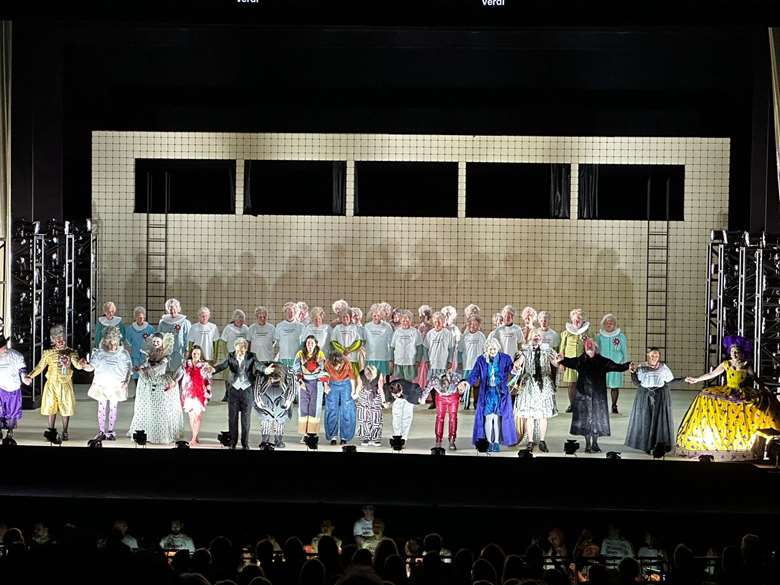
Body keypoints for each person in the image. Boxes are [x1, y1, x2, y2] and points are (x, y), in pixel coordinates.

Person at [677, 335, 780, 458]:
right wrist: (696, 379)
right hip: (728, 391)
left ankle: (745, 440)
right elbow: (712, 374)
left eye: (737, 352)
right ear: (729, 353)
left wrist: (765, 388)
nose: (734, 354)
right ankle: (723, 441)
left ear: (742, 353)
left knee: (752, 407)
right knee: (707, 397)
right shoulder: (726, 364)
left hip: (742, 392)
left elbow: (756, 379)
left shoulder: (746, 365)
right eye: (732, 352)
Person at [553, 337, 633, 453]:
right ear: (585, 349)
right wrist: (561, 359)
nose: (589, 347)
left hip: (598, 397)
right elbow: (569, 361)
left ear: (596, 348)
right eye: (587, 346)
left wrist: (628, 365)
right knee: (585, 420)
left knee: (596, 420)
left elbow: (617, 367)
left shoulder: (603, 361)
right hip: (583, 396)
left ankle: (595, 443)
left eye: (591, 346)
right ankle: (588, 444)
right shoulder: (581, 360)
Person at [25, 324, 91, 441]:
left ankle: (65, 431)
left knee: (66, 408)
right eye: (57, 339)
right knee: (51, 408)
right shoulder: (48, 353)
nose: (60, 341)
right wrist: (30, 376)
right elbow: (39, 367)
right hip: (51, 384)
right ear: (53, 340)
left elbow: (77, 366)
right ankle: (51, 429)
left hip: (65, 384)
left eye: (62, 338)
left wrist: (83, 363)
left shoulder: (71, 352)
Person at [460, 337, 518, 452]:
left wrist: (516, 369)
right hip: (486, 393)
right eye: (490, 349)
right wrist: (467, 382)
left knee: (497, 420)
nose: (493, 351)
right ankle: (489, 442)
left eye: (494, 348)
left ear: (498, 348)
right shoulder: (481, 360)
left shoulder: (505, 358)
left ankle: (496, 442)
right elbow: (474, 374)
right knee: (488, 419)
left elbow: (512, 369)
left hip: (500, 393)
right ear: (487, 349)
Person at [126, 332, 183, 444]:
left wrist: (146, 370)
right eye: (154, 341)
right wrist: (140, 368)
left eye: (158, 341)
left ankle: (159, 434)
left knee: (159, 409)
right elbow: (146, 364)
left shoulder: (165, 356)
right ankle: (146, 431)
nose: (156, 343)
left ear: (162, 343)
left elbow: (159, 367)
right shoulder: (150, 354)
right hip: (148, 382)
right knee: (147, 407)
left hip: (159, 382)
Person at [512, 329, 558, 452]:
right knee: (529, 415)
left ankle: (542, 440)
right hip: (529, 385)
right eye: (534, 336)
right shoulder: (525, 350)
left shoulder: (547, 349)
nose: (536, 337)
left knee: (543, 415)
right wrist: (516, 365)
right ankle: (531, 441)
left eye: (538, 335)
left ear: (541, 338)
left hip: (543, 384)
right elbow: (519, 362)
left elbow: (556, 363)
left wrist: (559, 360)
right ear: (530, 338)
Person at [624, 347, 675, 453]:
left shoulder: (663, 367)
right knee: (646, 420)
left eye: (656, 356)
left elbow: (670, 380)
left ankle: (657, 444)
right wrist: (632, 373)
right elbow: (637, 383)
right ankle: (646, 445)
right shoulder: (642, 367)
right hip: (644, 396)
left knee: (658, 421)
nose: (654, 358)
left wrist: (684, 379)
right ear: (648, 356)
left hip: (659, 396)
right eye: (652, 355)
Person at [213, 337, 260, 449]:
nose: (241, 350)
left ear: (246, 348)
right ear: (235, 348)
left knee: (246, 420)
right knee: (232, 418)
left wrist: (266, 370)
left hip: (247, 390)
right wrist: (212, 370)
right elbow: (222, 366)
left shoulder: (251, 356)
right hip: (233, 390)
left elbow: (258, 365)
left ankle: (245, 443)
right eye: (239, 348)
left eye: (243, 348)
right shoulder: (230, 356)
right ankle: (232, 443)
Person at [87, 325, 132, 440]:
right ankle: (101, 430)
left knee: (113, 407)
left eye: (115, 343)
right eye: (110, 343)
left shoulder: (123, 354)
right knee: (102, 407)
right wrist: (84, 366)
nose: (113, 346)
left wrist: (126, 381)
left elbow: (128, 369)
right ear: (106, 342)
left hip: (116, 386)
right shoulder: (99, 353)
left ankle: (111, 431)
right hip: (102, 385)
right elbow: (91, 367)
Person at [293, 335, 328, 437]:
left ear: (316, 344)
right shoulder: (300, 354)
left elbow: (323, 370)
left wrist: (325, 384)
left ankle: (312, 433)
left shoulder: (320, 354)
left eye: (312, 343)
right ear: (305, 344)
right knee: (303, 408)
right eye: (308, 343)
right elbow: (296, 368)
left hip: (316, 384)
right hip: (303, 383)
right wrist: (300, 381)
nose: (310, 345)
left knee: (315, 408)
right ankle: (304, 434)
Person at [255, 361, 295, 448]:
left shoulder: (289, 373)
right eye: (273, 380)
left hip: (282, 398)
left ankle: (278, 440)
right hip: (266, 396)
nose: (275, 383)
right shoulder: (261, 373)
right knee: (266, 419)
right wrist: (258, 401)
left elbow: (292, 389)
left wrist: (288, 402)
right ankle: (265, 441)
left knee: (280, 420)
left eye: (276, 381)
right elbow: (257, 389)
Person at [423, 369, 465, 450]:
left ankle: (452, 439)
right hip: (440, 398)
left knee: (453, 418)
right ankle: (438, 440)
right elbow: (427, 389)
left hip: (453, 397)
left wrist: (462, 390)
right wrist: (422, 398)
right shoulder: (434, 380)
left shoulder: (456, 378)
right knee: (439, 418)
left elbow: (463, 387)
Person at [558, 309, 590, 413]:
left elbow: (593, 348)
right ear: (572, 319)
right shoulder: (566, 333)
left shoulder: (589, 332)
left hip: (584, 362)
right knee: (571, 384)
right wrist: (562, 363)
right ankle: (572, 405)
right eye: (575, 318)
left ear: (583, 320)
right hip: (570, 362)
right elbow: (562, 349)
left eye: (580, 318)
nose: (577, 320)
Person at [596, 314, 629, 414]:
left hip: (616, 364)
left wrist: (625, 364)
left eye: (611, 323)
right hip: (602, 365)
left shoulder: (620, 336)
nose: (609, 324)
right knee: (601, 386)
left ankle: (614, 406)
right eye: (607, 323)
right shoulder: (599, 336)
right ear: (603, 324)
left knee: (614, 386)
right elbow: (596, 351)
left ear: (615, 324)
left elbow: (625, 351)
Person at [180, 345, 213, 445]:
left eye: (198, 353)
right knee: (191, 416)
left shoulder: (204, 365)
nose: (196, 355)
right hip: (188, 393)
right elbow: (180, 375)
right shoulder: (186, 364)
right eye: (194, 353)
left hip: (200, 394)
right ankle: (195, 434)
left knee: (198, 417)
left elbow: (208, 379)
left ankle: (194, 438)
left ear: (200, 355)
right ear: (191, 354)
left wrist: (208, 389)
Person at [324, 350, 357, 445]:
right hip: (332, 383)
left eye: (337, 366)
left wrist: (353, 391)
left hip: (346, 383)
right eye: (334, 366)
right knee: (331, 409)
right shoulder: (327, 362)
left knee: (346, 410)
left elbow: (352, 377)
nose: (336, 368)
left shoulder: (346, 362)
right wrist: (326, 386)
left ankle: (344, 436)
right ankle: (332, 436)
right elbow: (325, 375)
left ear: (341, 362)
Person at [423, 312, 455, 409]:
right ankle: (434, 402)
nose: (437, 323)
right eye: (435, 321)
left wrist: (450, 361)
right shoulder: (430, 334)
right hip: (432, 363)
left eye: (439, 321)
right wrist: (427, 360)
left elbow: (451, 348)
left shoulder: (448, 334)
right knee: (432, 383)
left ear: (443, 321)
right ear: (433, 322)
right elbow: (425, 348)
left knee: (443, 383)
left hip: (443, 364)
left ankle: (442, 401)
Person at [0, 334, 27, 440]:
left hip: (12, 388)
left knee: (12, 411)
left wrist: (25, 378)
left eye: (4, 346)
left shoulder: (16, 355)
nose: (3, 349)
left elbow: (22, 369)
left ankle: (10, 431)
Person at [219, 309, 250, 402]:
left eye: (242, 319)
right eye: (238, 319)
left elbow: (248, 342)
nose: (240, 321)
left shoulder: (245, 328)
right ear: (234, 319)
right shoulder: (228, 328)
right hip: (231, 355)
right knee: (228, 376)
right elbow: (223, 342)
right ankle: (227, 394)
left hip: (241, 356)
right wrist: (226, 354)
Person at [458, 314, 486, 410]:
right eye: (471, 324)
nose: (472, 326)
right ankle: (466, 404)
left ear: (478, 325)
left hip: (477, 366)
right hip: (467, 365)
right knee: (466, 384)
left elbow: (485, 351)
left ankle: (476, 403)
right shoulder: (464, 336)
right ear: (468, 325)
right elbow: (460, 350)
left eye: (475, 324)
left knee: (477, 385)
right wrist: (460, 362)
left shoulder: (481, 336)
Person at [157, 298, 192, 376]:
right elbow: (159, 336)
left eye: (174, 308)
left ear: (178, 309)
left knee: (179, 374)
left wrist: (187, 350)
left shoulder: (185, 322)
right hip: (166, 352)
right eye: (170, 309)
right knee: (166, 374)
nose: (172, 311)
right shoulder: (163, 322)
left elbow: (188, 338)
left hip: (180, 352)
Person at [363, 305, 392, 395]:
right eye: (374, 315)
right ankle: (371, 396)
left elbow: (391, 343)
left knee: (382, 380)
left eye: (378, 315)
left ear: (382, 315)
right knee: (370, 378)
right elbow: (363, 342)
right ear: (372, 315)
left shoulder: (387, 326)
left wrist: (391, 358)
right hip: (370, 357)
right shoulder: (367, 326)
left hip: (383, 357)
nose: (376, 317)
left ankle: (383, 398)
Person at [125, 306, 155, 392]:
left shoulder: (150, 328)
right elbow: (128, 342)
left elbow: (153, 343)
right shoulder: (130, 329)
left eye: (142, 317)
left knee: (146, 373)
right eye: (138, 317)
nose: (140, 319)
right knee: (136, 373)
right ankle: (138, 392)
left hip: (146, 356)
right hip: (135, 355)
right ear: (135, 317)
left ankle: (145, 392)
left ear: (144, 317)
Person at [387, 377, 424, 442]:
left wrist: (420, 398)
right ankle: (397, 436)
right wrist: (387, 401)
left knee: (407, 418)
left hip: (409, 398)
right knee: (396, 417)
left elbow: (418, 389)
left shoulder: (411, 387)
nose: (394, 396)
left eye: (396, 395)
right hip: (399, 399)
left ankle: (404, 437)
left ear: (400, 391)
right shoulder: (390, 387)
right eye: (393, 395)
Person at [390, 310, 423, 382]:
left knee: (409, 382)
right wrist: (391, 360)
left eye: (407, 321)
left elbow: (420, 348)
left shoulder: (415, 332)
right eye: (403, 321)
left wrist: (418, 361)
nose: (405, 322)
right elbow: (392, 347)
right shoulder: (397, 332)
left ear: (410, 321)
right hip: (398, 362)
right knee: (399, 382)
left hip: (410, 362)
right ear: (400, 321)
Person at [356, 365, 385, 446]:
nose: (368, 377)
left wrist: (383, 401)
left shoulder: (379, 374)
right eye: (366, 374)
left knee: (376, 418)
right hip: (364, 396)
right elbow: (359, 386)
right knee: (363, 417)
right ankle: (365, 437)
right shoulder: (361, 374)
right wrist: (355, 395)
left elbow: (380, 388)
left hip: (376, 396)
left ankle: (376, 438)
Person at [331, 309, 363, 377]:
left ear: (350, 317)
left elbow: (359, 341)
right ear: (341, 318)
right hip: (341, 358)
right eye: (343, 317)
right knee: (341, 377)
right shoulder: (337, 328)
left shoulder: (355, 328)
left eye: (347, 316)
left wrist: (349, 349)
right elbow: (333, 341)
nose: (345, 318)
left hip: (353, 358)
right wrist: (342, 351)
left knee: (353, 378)